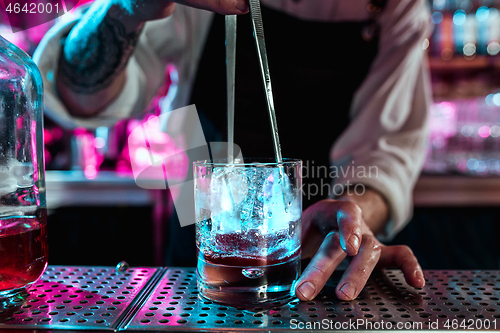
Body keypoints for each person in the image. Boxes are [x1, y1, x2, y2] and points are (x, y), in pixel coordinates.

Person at [34, 0, 431, 302]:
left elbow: (387, 153)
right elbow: (77, 95)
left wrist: (353, 222)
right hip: (203, 247)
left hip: (316, 256)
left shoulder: (395, 7)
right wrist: (130, 6)